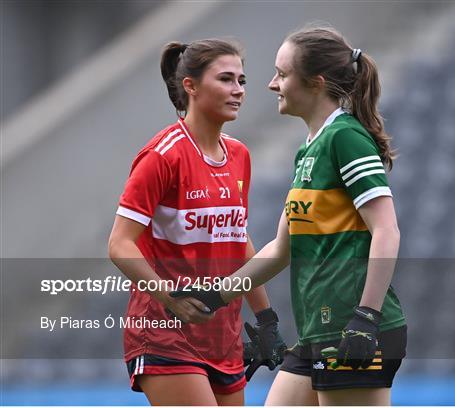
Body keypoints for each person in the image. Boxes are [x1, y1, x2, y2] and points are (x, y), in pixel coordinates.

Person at [173, 25, 407, 406]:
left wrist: (366, 317)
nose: (270, 84)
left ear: (315, 83)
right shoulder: (308, 151)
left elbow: (387, 230)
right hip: (319, 330)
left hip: (353, 328)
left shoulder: (345, 138)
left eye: (282, 74)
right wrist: (215, 295)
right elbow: (282, 249)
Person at [108, 38, 285, 406]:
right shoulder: (162, 155)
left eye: (242, 80)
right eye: (225, 79)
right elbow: (119, 244)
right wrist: (169, 299)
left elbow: (239, 241)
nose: (238, 90)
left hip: (223, 334)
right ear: (190, 85)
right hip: (164, 333)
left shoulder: (239, 155)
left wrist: (265, 318)